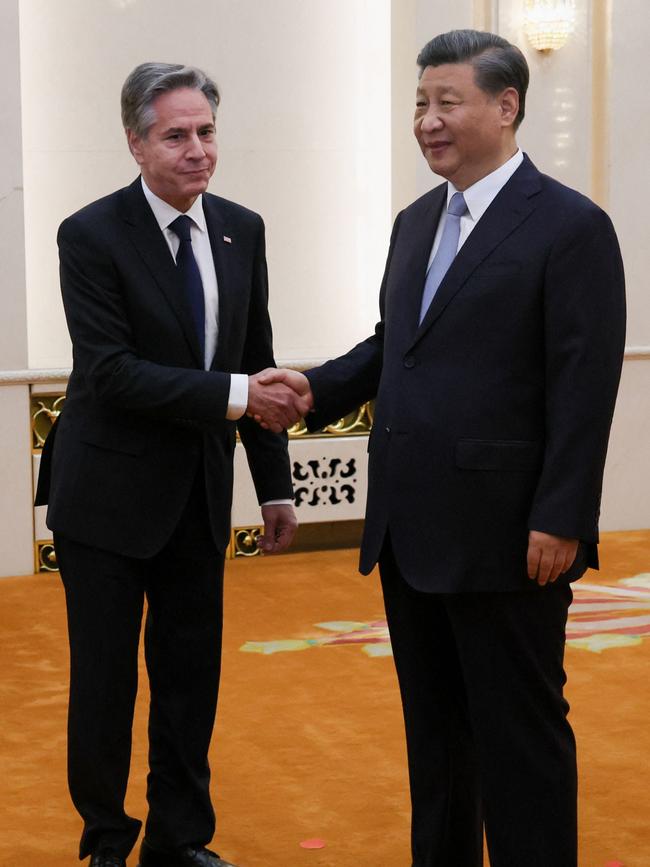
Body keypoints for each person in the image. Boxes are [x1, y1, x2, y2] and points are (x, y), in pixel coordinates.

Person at [258, 29, 626, 867]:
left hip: (510, 539)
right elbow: (401, 343)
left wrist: (562, 515)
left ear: (506, 106)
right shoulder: (416, 221)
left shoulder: (572, 227)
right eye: (419, 103)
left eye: (445, 102)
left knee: (520, 744)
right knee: (439, 747)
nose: (427, 121)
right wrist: (317, 388)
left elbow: (584, 387)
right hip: (410, 530)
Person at [35, 62, 308, 867]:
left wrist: (277, 486)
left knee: (190, 682)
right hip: (105, 500)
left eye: (207, 132)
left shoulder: (243, 228)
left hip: (197, 496)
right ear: (136, 143)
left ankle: (182, 839)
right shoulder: (89, 234)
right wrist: (237, 396)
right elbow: (112, 372)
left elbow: (255, 360)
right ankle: (106, 841)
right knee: (106, 684)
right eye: (176, 135)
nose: (197, 150)